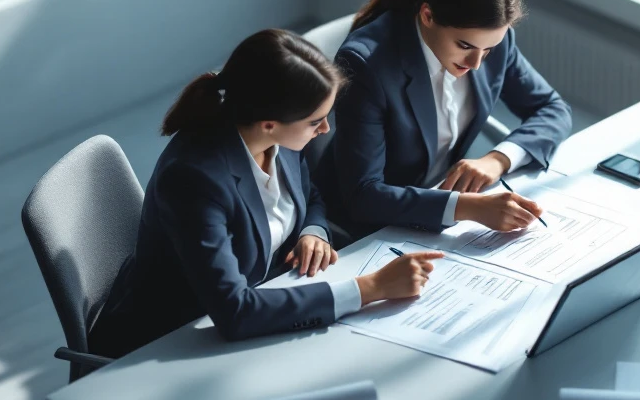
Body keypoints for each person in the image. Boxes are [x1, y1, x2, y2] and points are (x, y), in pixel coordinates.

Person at [89, 29, 443, 359]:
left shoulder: (277, 137)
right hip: (172, 340)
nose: (325, 129)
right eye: (315, 121)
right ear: (269, 123)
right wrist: (370, 288)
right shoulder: (193, 179)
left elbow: (310, 195)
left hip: (262, 296)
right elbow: (235, 312)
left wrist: (312, 232)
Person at [315, 0, 572, 242]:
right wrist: (465, 207)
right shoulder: (367, 64)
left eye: (488, 50)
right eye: (465, 46)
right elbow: (363, 196)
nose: (476, 63)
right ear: (428, 15)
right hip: (362, 227)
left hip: (438, 204)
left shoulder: (493, 41)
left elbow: (553, 109)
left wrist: (498, 160)